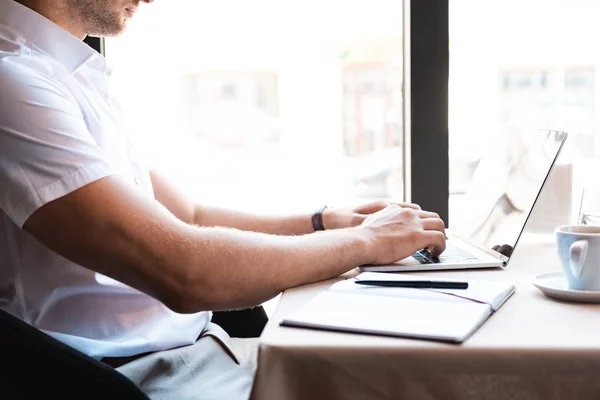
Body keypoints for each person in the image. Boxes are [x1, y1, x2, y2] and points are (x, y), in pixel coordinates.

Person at [0, 0, 447, 399]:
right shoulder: (13, 83)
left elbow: (189, 216)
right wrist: (368, 242)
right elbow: (184, 271)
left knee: (398, 368)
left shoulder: (65, 74)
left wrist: (326, 222)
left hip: (194, 353)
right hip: (132, 379)